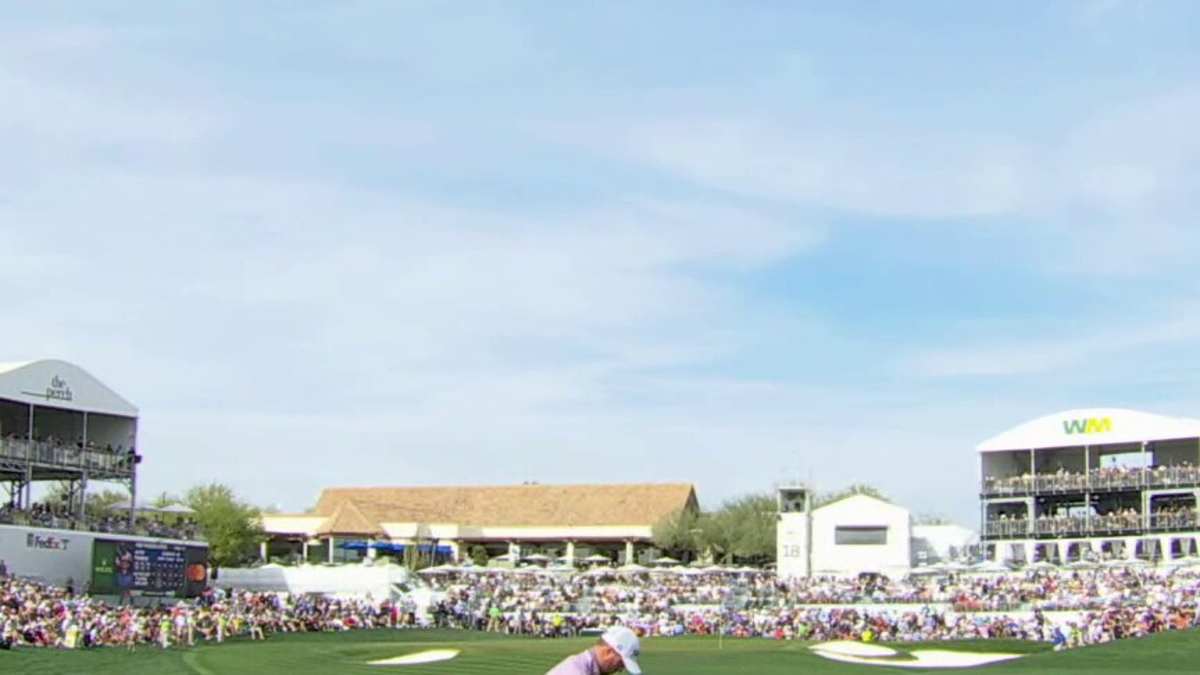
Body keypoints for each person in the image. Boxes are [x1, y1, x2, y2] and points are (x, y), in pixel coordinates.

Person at [545, 625, 642, 674]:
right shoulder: (576, 671)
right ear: (608, 652)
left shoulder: (586, 667)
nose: (621, 670)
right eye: (621, 663)